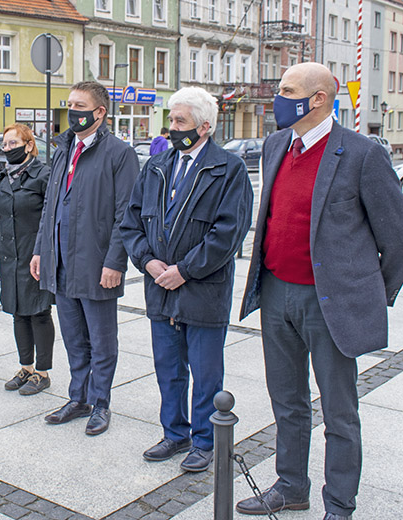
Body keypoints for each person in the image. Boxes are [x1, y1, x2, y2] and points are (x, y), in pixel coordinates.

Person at [236, 63, 403, 520]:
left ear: (317, 98)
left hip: (329, 302)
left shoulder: (360, 153)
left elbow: (398, 236)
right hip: (277, 294)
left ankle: (339, 505)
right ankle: (291, 486)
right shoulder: (277, 144)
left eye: (287, 91)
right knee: (287, 401)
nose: (278, 98)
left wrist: (371, 292)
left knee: (339, 411)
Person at [121, 87, 253, 472]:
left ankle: (205, 441)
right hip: (160, 288)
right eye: (171, 120)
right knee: (168, 368)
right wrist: (147, 262)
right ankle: (174, 434)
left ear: (205, 127)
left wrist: (185, 270)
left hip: (203, 291)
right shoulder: (157, 165)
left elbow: (228, 233)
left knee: (206, 372)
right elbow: (131, 222)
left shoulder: (228, 168)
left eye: (181, 121)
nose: (172, 128)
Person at [30, 81, 139, 435]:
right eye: (70, 104)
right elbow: (50, 205)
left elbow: (127, 212)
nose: (72, 111)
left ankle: (101, 402)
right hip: (61, 262)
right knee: (74, 337)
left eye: (80, 105)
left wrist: (115, 262)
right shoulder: (63, 150)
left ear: (99, 112)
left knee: (101, 340)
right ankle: (78, 397)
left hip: (96, 264)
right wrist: (40, 251)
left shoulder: (119, 154)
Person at [0, 123, 55, 395]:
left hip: (34, 254)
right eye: (5, 145)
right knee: (18, 312)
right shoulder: (2, 178)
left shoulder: (43, 176)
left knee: (38, 312)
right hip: (10, 256)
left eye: (13, 144)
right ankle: (26, 367)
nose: (8, 149)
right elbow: (0, 221)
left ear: (29, 145)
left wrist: (43, 252)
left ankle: (42, 372)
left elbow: (51, 219)